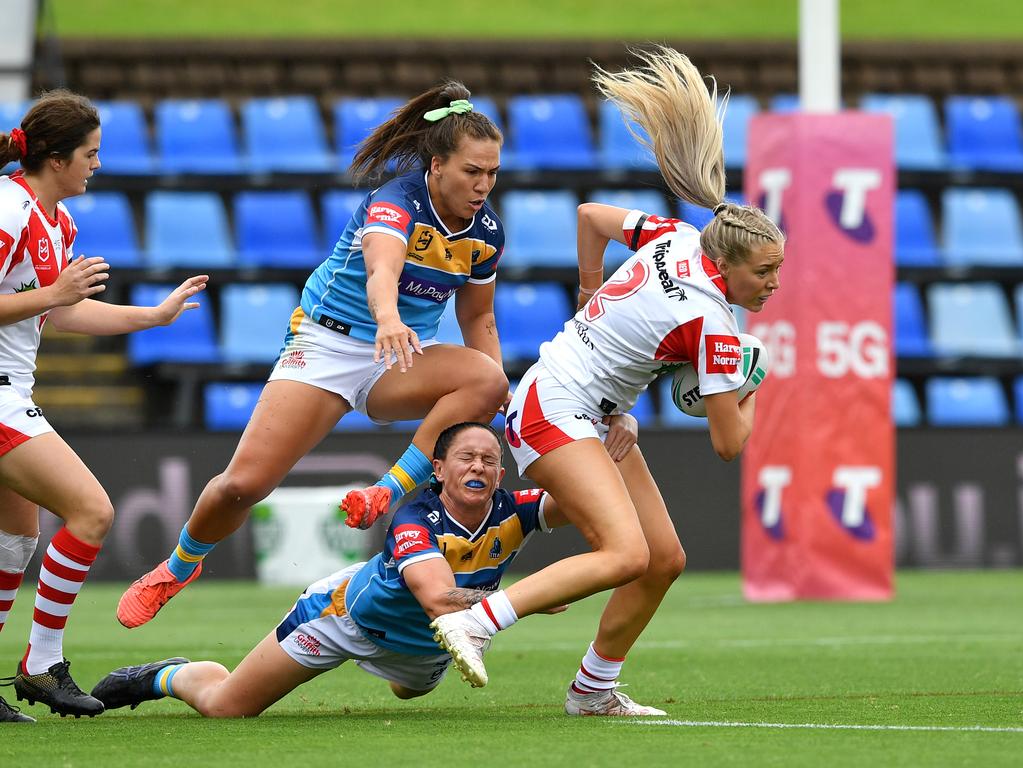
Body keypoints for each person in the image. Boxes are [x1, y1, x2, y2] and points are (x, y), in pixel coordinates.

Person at [430, 47, 785, 716]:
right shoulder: (713, 325)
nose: (773, 283)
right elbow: (730, 446)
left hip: (584, 403)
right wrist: (754, 380)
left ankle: (593, 691)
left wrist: (591, 298)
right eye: (765, 272)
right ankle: (474, 621)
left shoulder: (677, 236)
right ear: (731, 266)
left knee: (664, 559)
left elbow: (591, 215)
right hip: (554, 408)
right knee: (626, 553)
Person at [116, 81, 511, 629]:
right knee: (243, 486)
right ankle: (178, 566)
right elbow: (382, 270)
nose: (484, 185)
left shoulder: (486, 230)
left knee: (489, 381)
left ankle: (386, 491)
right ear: (438, 164)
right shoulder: (396, 200)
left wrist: (500, 410)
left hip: (399, 358)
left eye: (492, 173)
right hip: (329, 344)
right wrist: (390, 316)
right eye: (473, 171)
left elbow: (479, 319)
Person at [91, 421, 607, 717]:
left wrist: (606, 446)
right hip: (342, 620)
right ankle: (168, 677)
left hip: (425, 647)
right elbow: (438, 600)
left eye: (490, 460)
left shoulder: (514, 508)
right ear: (441, 469)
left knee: (411, 691)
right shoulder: (414, 518)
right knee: (229, 708)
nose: (479, 468)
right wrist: (520, 601)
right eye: (467, 458)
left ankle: (408, 667)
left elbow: (588, 498)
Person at [0, 90, 208, 723]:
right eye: (90, 154)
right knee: (91, 511)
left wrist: (155, 314)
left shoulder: (53, 219)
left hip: (11, 390)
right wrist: (54, 292)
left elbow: (62, 312)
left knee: (16, 537)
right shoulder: (8, 210)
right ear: (56, 158)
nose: (96, 164)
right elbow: (52, 299)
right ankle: (40, 665)